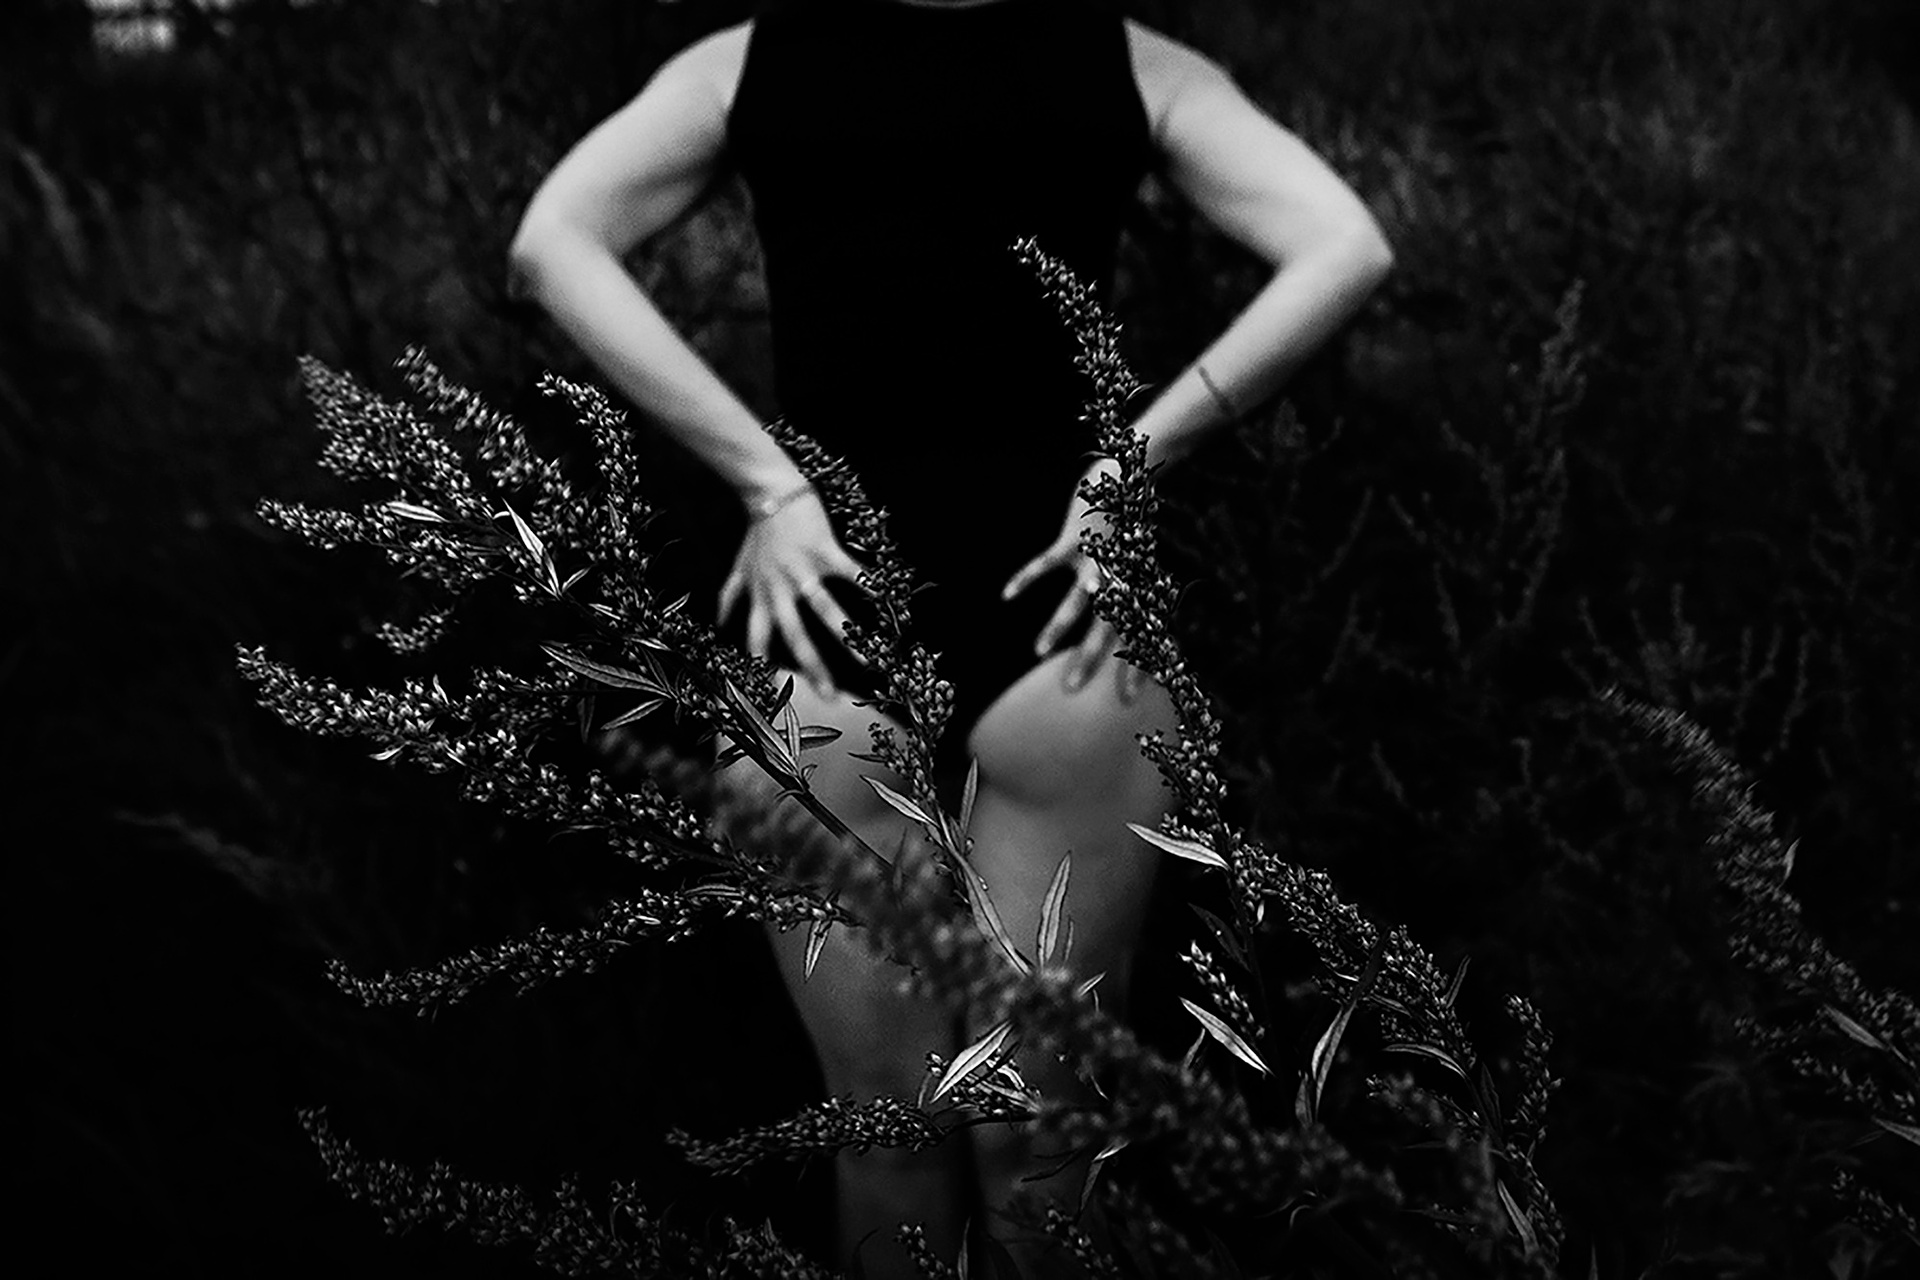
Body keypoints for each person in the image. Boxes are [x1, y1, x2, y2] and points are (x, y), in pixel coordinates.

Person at [506, 0, 1393, 1272]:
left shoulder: (751, 58)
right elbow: (1344, 242)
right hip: (1064, 624)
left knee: (888, 1142)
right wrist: (1127, 467)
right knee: (1046, 1140)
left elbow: (552, 242)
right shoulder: (1126, 57)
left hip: (825, 624)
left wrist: (768, 486)